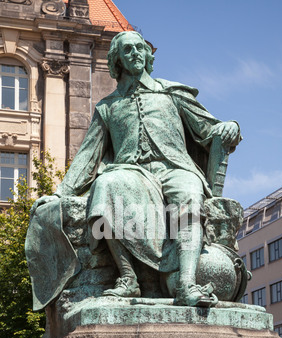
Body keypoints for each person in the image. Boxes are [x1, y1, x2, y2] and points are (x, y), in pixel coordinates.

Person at [31, 31, 241, 307]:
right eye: (128, 50)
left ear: (148, 55)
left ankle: (187, 285)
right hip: (131, 170)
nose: (136, 54)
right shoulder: (107, 107)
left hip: (174, 167)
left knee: (188, 193)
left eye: (140, 49)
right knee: (105, 185)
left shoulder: (171, 93)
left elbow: (209, 129)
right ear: (117, 60)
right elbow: (87, 156)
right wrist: (60, 194)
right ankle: (128, 278)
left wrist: (231, 127)